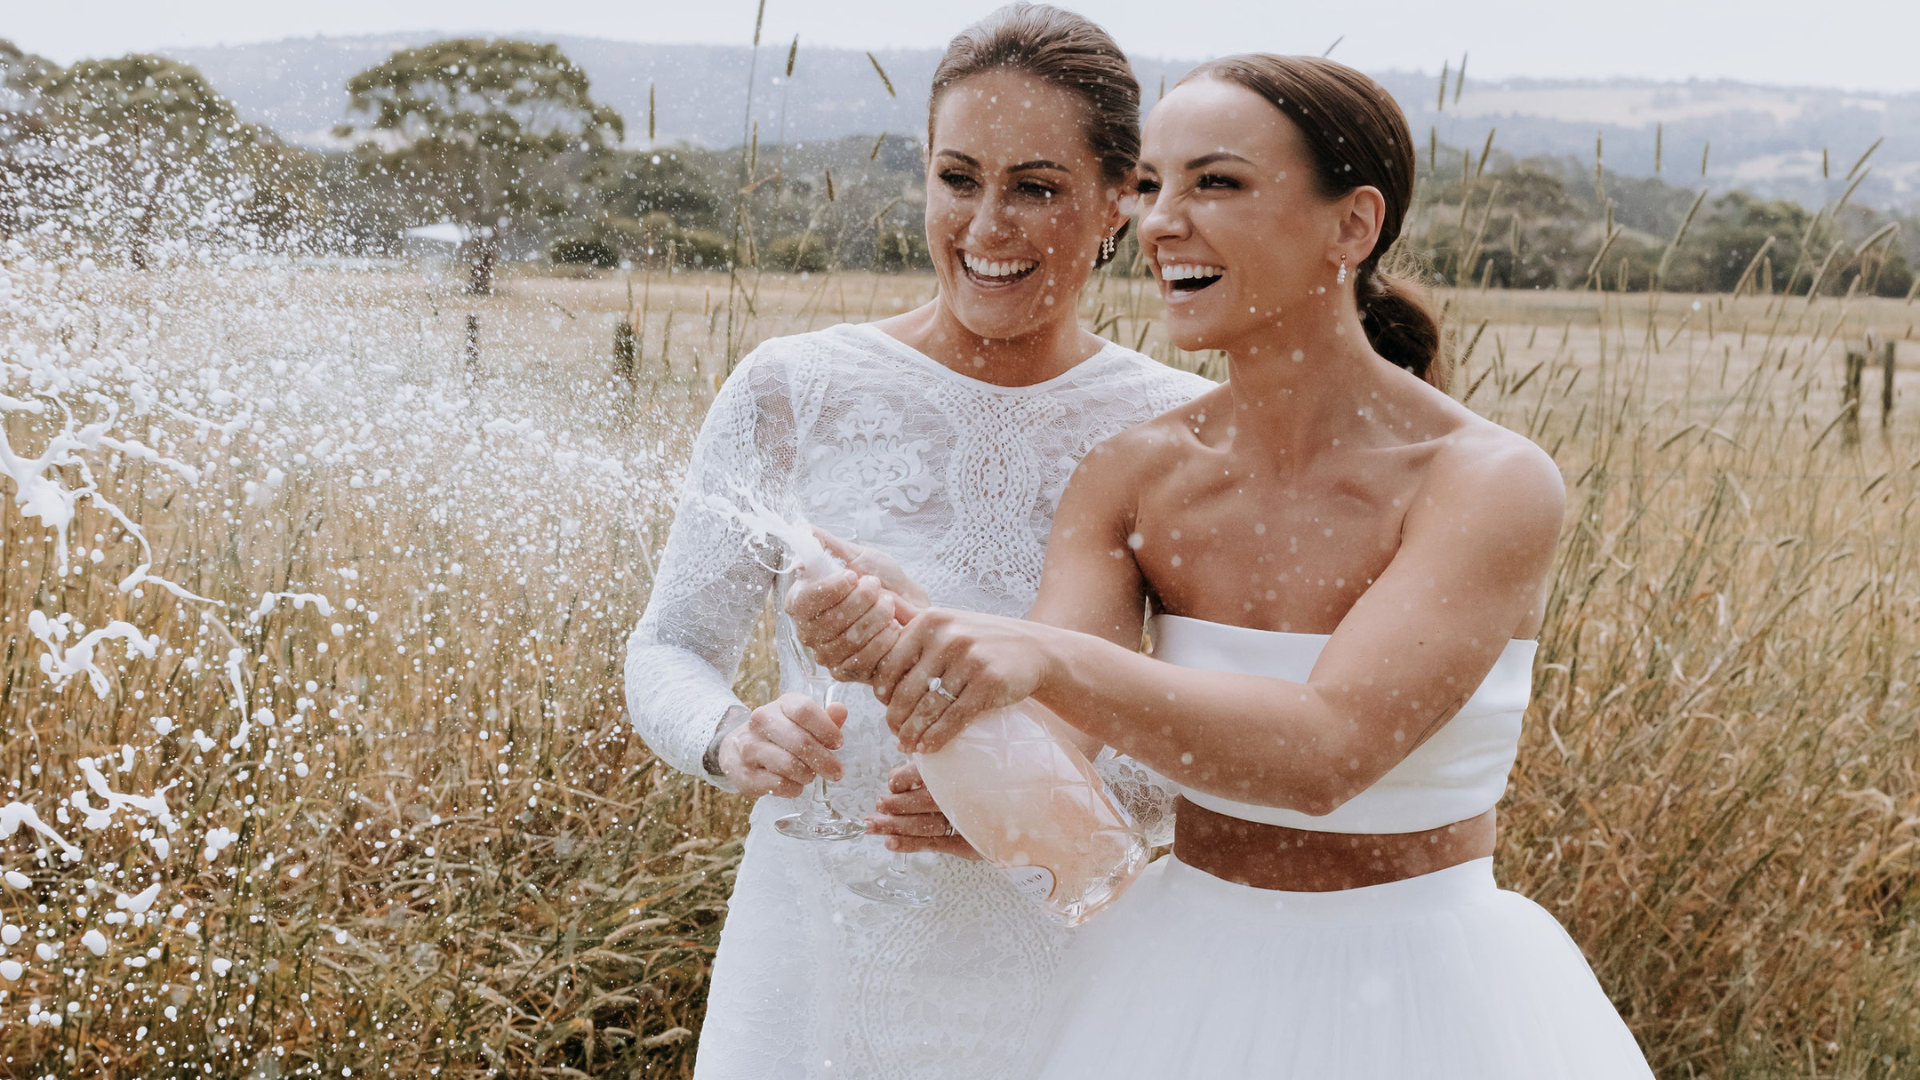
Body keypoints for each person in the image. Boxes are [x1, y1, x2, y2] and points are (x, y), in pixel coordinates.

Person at [859, 55, 1657, 1077]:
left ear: (1352, 226)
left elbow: (1323, 759)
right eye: (1151, 186)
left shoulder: (1487, 482)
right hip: (1172, 980)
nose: (1159, 222)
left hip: (1426, 994)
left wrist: (1041, 657)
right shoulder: (1134, 476)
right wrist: (893, 636)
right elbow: (1051, 757)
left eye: (1217, 183)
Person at [622, 5, 1211, 1077]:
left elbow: (1233, 730)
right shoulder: (792, 387)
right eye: (957, 178)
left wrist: (1036, 800)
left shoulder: (1185, 432)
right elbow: (664, 647)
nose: (986, 226)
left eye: (1036, 187)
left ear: (1121, 202)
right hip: (819, 953)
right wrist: (732, 736)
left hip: (1070, 962)